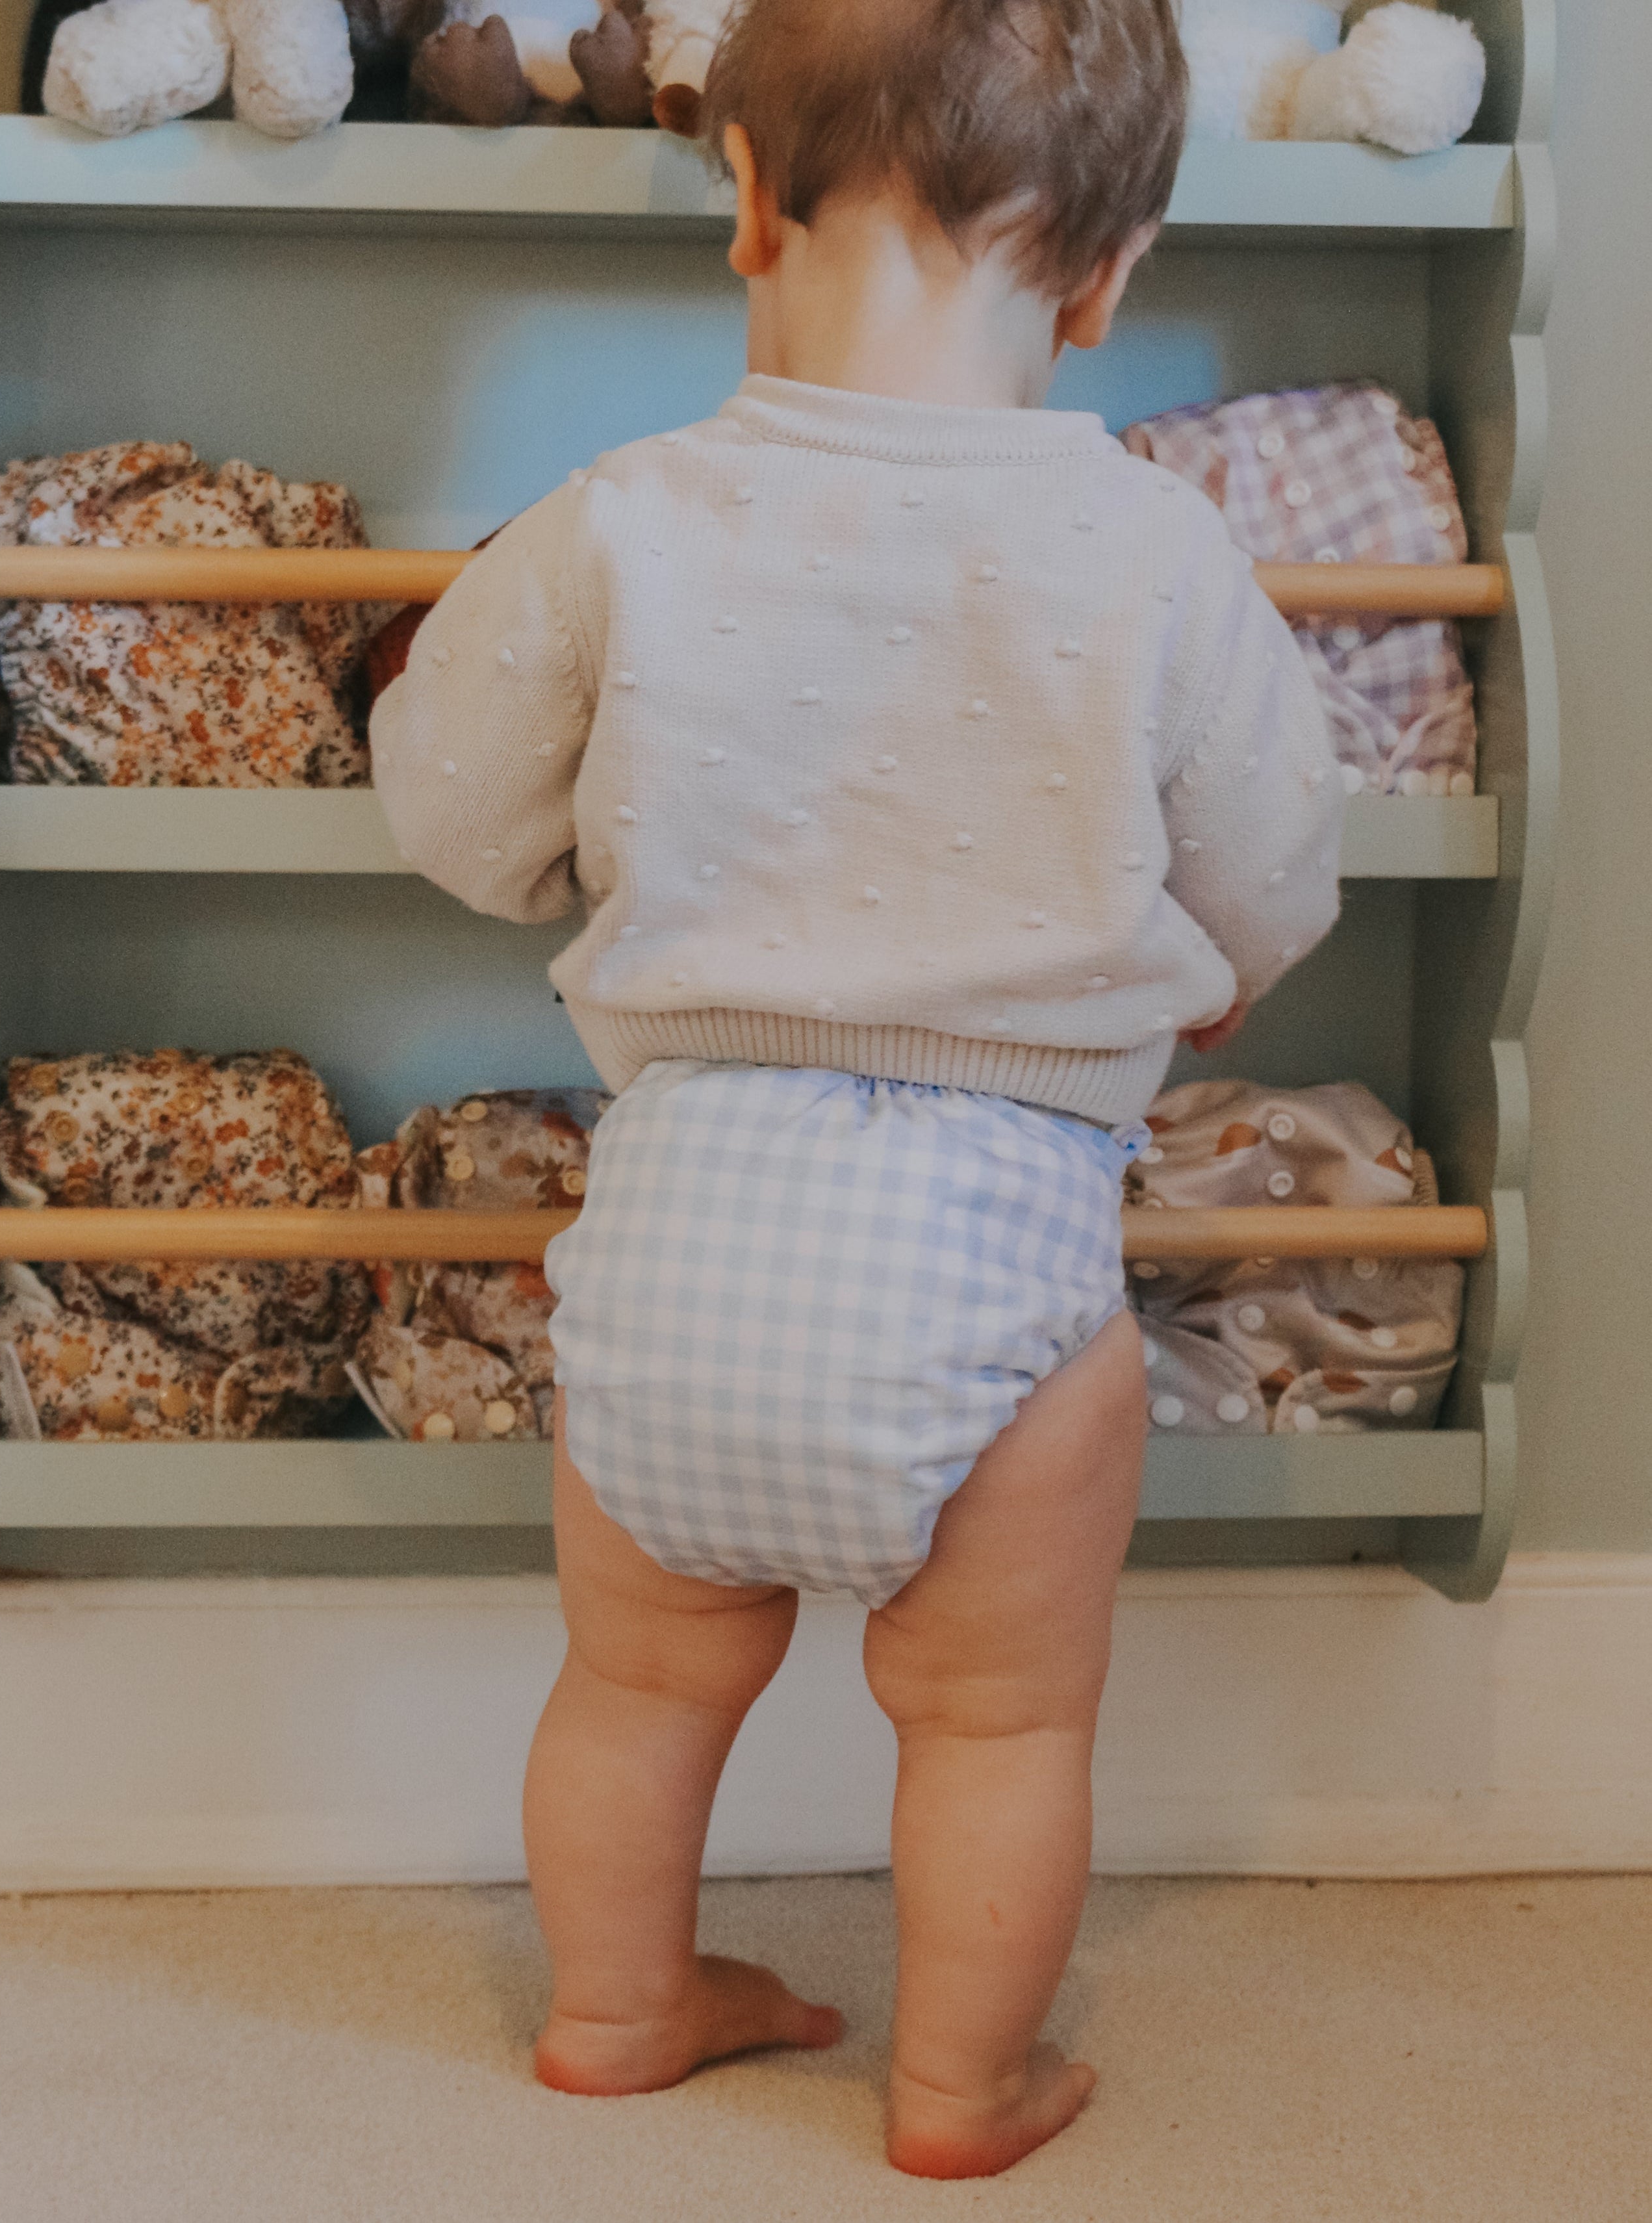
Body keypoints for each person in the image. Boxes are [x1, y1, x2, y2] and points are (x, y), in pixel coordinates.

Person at [370, 0, 1341, 2177]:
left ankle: (619, 2007)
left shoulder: (621, 522)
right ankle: (961, 2084)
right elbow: (1280, 864)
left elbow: (439, 797)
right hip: (998, 1244)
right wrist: (1207, 972)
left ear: (738, 195)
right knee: (1000, 1720)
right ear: (1109, 277)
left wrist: (558, 849)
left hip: (690, 1218)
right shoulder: (1157, 552)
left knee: (635, 1690)